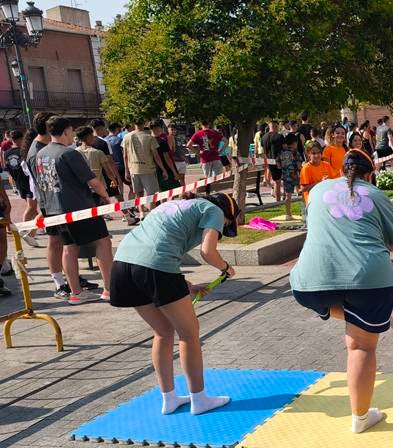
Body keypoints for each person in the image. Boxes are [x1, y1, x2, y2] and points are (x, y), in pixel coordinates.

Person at [290, 150, 393, 432]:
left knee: (352, 316)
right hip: (369, 280)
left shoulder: (318, 190)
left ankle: (365, 319)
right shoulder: (377, 195)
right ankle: (361, 417)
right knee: (360, 347)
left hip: (307, 283)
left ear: (342, 171)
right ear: (370, 175)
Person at [111, 192, 240, 416]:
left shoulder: (174, 205)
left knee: (162, 332)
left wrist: (186, 286)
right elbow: (207, 252)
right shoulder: (214, 211)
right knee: (189, 335)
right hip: (154, 267)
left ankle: (169, 399)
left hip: (122, 265)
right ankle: (199, 400)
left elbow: (156, 248)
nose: (222, 229)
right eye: (225, 226)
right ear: (227, 213)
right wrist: (226, 268)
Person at [35, 117, 115, 304]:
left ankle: (76, 293)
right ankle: (109, 289)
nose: (73, 136)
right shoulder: (68, 154)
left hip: (55, 209)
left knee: (69, 248)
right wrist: (105, 197)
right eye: (71, 131)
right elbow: (93, 181)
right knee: (103, 242)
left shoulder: (41, 154)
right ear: (65, 132)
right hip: (79, 207)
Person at [4, 130, 41, 248]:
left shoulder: (7, 153)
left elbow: (8, 169)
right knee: (32, 207)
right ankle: (26, 229)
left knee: (33, 208)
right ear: (21, 138)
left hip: (19, 182)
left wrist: (13, 181)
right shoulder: (24, 151)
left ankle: (33, 227)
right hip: (29, 181)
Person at [124, 122, 168, 216]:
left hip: (133, 169)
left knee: (138, 193)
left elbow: (125, 156)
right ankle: (152, 213)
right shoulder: (149, 137)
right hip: (148, 169)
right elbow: (156, 156)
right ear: (143, 124)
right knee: (152, 193)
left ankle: (141, 213)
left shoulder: (127, 137)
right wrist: (163, 169)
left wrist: (126, 171)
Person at [76, 126, 122, 200]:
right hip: (99, 187)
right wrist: (114, 180)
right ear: (88, 137)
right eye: (92, 136)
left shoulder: (75, 152)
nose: (93, 138)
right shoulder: (98, 152)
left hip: (84, 188)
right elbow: (108, 171)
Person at [300, 140, 336, 205]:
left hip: (325, 200)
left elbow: (333, 181)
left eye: (318, 153)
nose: (316, 155)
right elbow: (303, 189)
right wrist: (320, 183)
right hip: (312, 201)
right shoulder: (306, 168)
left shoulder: (326, 165)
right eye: (313, 153)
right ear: (308, 154)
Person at [277, 133, 301, 221]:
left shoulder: (281, 152)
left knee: (288, 196)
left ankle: (288, 214)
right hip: (296, 176)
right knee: (303, 194)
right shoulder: (295, 152)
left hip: (285, 176)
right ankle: (305, 212)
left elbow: (278, 165)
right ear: (294, 142)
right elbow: (299, 166)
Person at [261, 120, 285, 201]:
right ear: (276, 126)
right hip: (278, 160)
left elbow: (263, 151)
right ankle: (278, 200)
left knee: (275, 180)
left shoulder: (263, 137)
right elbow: (284, 148)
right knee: (278, 181)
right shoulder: (279, 136)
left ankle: (276, 195)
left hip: (268, 160)